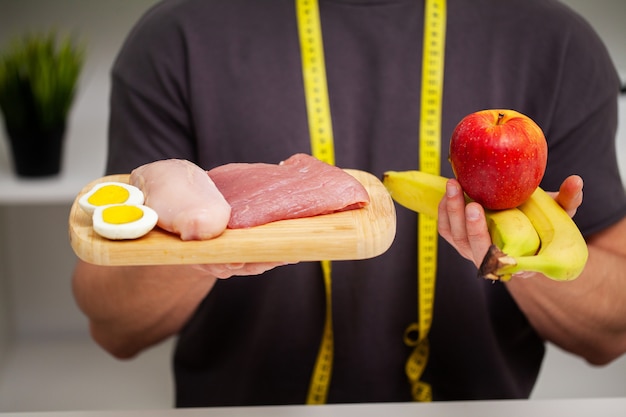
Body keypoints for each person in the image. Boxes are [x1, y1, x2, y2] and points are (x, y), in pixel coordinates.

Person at [72, 0, 626, 407]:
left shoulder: (556, 43)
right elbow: (114, 327)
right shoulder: (176, 37)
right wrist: (199, 247)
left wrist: (522, 264)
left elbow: (612, 333)